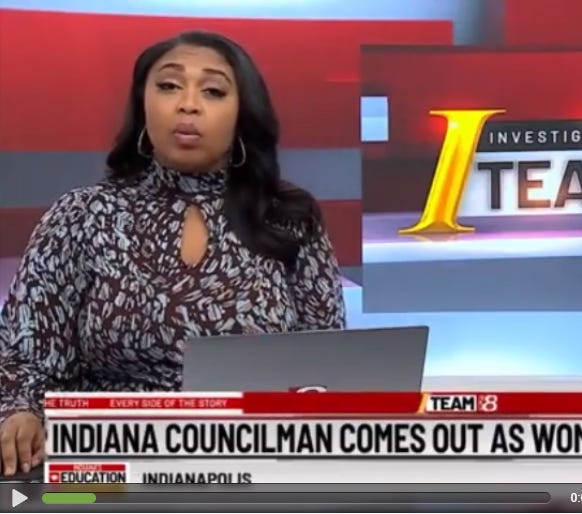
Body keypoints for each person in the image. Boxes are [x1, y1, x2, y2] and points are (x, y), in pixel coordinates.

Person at [0, 31, 347, 476]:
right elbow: (25, 357)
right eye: (168, 85)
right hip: (109, 462)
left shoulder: (289, 218)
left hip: (255, 461)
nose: (188, 105)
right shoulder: (82, 214)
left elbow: (328, 365)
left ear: (242, 115)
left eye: (213, 91)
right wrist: (20, 411)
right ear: (143, 104)